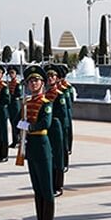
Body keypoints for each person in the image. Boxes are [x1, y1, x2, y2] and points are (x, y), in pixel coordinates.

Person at [18, 65, 55, 220]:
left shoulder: (46, 103)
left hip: (41, 145)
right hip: (31, 146)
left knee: (46, 186)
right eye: (30, 81)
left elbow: (45, 123)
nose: (33, 83)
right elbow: (18, 119)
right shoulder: (27, 103)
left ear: (42, 83)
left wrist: (29, 126)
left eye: (36, 80)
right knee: (37, 186)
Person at [45, 64, 67, 197]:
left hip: (56, 127)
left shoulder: (60, 95)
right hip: (47, 128)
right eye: (48, 76)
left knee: (58, 156)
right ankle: (51, 183)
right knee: (50, 156)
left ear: (57, 78)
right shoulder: (45, 94)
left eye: (52, 76)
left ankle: (58, 186)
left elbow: (63, 114)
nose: (50, 78)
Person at [8, 66, 22, 148]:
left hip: (15, 104)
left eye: (12, 73)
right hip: (10, 104)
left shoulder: (17, 83)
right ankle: (14, 140)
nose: (11, 74)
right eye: (10, 73)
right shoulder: (10, 83)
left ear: (16, 74)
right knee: (12, 123)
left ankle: (18, 140)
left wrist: (11, 95)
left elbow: (19, 94)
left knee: (16, 123)